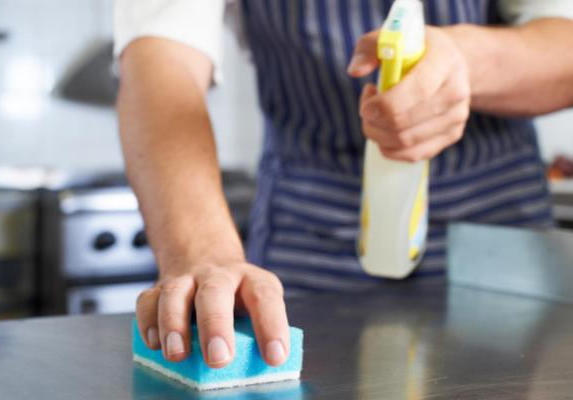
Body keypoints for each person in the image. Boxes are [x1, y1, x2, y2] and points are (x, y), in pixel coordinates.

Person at [114, 0, 573, 369]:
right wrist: (201, 251)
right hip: (309, 239)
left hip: (496, 243)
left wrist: (464, 61)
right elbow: (161, 57)